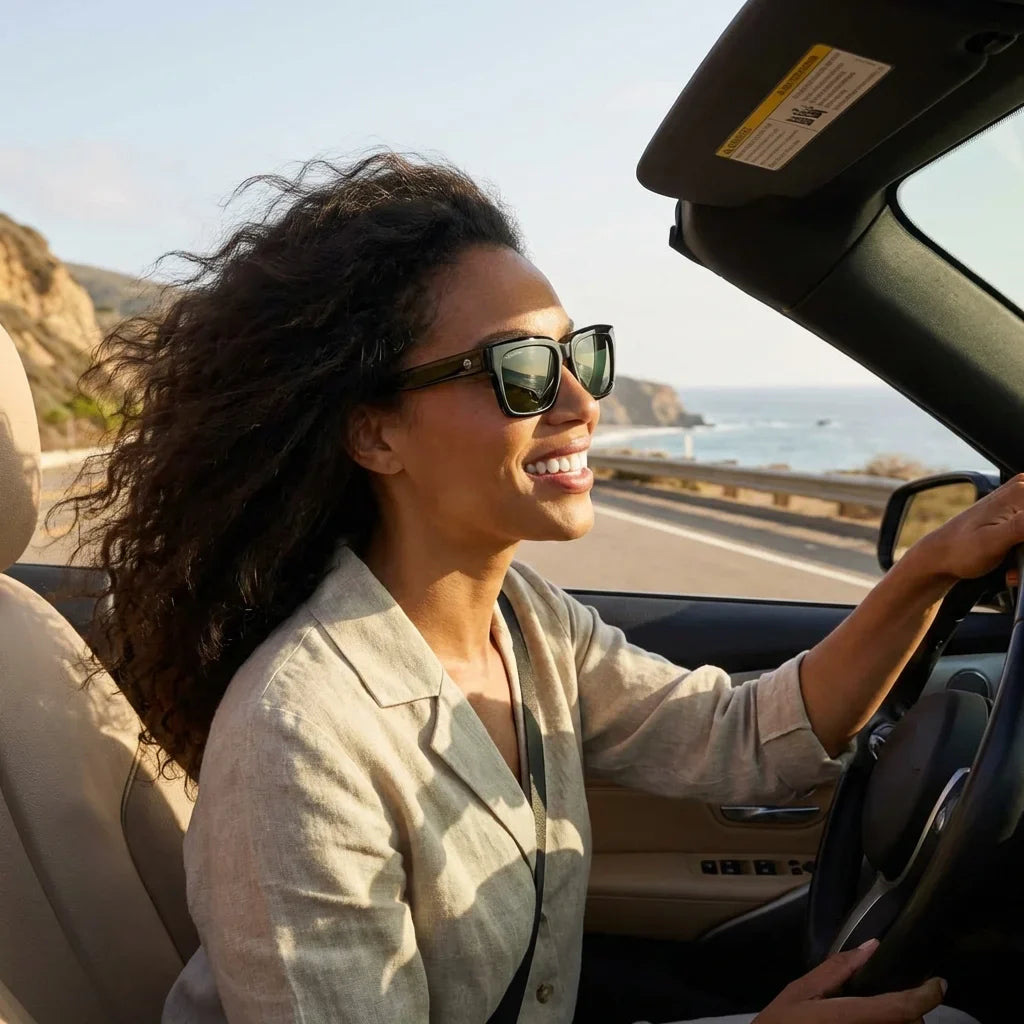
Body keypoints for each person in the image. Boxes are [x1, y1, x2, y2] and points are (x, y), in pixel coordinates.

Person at [67, 152, 1004, 1023]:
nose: (581, 403)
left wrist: (931, 566)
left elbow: (738, 741)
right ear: (374, 435)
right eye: (519, 371)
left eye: (578, 354)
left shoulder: (524, 622)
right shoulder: (300, 740)